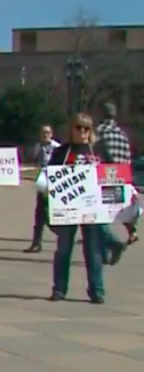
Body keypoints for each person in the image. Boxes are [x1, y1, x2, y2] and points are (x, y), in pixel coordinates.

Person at [47, 113, 114, 304]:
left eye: (86, 128)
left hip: (93, 208)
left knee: (93, 250)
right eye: (79, 127)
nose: (83, 132)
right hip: (68, 209)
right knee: (63, 249)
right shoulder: (61, 152)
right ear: (72, 129)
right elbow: (50, 178)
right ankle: (59, 289)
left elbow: (112, 175)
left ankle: (97, 291)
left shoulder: (99, 150)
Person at [96, 102, 137, 252]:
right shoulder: (122, 134)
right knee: (119, 208)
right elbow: (127, 157)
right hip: (122, 175)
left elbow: (95, 153)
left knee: (101, 212)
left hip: (105, 175)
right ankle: (131, 232)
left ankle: (108, 245)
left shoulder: (100, 131)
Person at [25, 124, 60, 253]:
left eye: (47, 132)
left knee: (47, 212)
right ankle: (36, 242)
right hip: (42, 181)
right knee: (40, 211)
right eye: (43, 133)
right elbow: (35, 162)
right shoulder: (38, 147)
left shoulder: (56, 147)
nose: (45, 135)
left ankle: (60, 233)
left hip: (53, 181)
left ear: (51, 134)